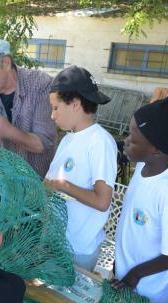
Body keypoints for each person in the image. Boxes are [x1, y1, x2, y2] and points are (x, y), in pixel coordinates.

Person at [111, 95, 168, 303]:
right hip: (128, 281)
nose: (126, 141)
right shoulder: (143, 166)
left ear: (155, 149)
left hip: (153, 296)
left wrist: (135, 274)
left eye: (132, 136)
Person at [44, 66, 117, 271]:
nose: (52, 116)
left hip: (78, 248)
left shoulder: (99, 141)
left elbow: (102, 201)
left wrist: (63, 185)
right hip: (57, 238)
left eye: (55, 107)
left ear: (75, 104)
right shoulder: (68, 139)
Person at [0, 38, 57, 178]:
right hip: (3, 180)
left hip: (36, 182)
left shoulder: (40, 84)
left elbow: (42, 144)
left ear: (6, 63)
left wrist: (8, 131)